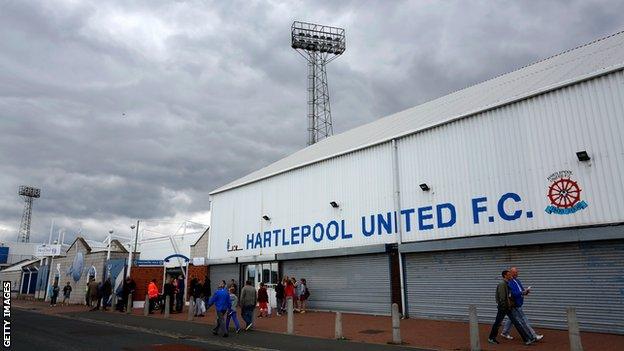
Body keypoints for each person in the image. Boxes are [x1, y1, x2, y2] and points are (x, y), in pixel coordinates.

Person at [488, 270, 534, 345]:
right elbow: (502, 298)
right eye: (509, 275)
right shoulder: (502, 284)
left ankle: (527, 339)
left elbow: (510, 295)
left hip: (508, 307)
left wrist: (522, 293)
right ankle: (491, 338)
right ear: (505, 276)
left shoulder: (507, 284)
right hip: (503, 308)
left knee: (516, 323)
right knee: (497, 323)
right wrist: (505, 306)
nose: (511, 276)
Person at [501, 267, 543, 341]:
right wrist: (522, 292)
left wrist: (526, 292)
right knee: (524, 320)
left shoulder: (517, 281)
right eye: (515, 272)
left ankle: (504, 332)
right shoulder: (509, 282)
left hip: (519, 303)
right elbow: (512, 294)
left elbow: (522, 290)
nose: (517, 273)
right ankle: (533, 335)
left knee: (511, 319)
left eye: (517, 272)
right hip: (515, 304)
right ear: (510, 273)